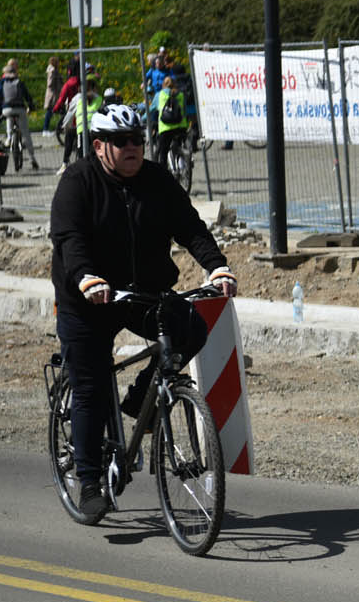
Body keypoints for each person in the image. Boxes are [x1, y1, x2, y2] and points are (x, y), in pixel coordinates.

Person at [49, 105, 235, 517]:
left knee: (190, 328)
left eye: (138, 139)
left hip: (142, 292)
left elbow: (190, 227)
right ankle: (90, 481)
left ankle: (141, 401)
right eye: (121, 141)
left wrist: (216, 264)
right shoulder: (78, 183)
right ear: (99, 146)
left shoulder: (156, 180)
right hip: (88, 299)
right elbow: (69, 238)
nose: (133, 147)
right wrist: (86, 278)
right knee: (91, 387)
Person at [0, 59, 39, 172]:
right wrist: (31, 106)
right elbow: (27, 96)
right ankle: (32, 158)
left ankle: (9, 137)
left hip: (7, 110)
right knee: (25, 133)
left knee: (8, 118)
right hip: (20, 109)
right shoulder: (19, 82)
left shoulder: (2, 82)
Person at [58, 77, 103, 170]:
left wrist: (64, 126)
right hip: (94, 131)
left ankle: (66, 162)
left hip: (81, 131)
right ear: (94, 88)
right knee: (97, 155)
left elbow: (70, 114)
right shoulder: (99, 99)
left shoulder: (78, 98)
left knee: (81, 156)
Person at [151, 71, 191, 165]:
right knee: (180, 144)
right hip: (181, 126)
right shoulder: (181, 94)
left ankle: (164, 176)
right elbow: (185, 110)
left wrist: (142, 118)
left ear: (163, 85)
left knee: (163, 152)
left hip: (166, 128)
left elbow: (151, 110)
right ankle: (183, 163)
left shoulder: (159, 95)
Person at [41, 56, 63, 134]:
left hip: (54, 94)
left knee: (57, 111)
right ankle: (45, 129)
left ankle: (61, 127)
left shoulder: (53, 70)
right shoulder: (53, 71)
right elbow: (50, 83)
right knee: (50, 111)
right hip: (52, 95)